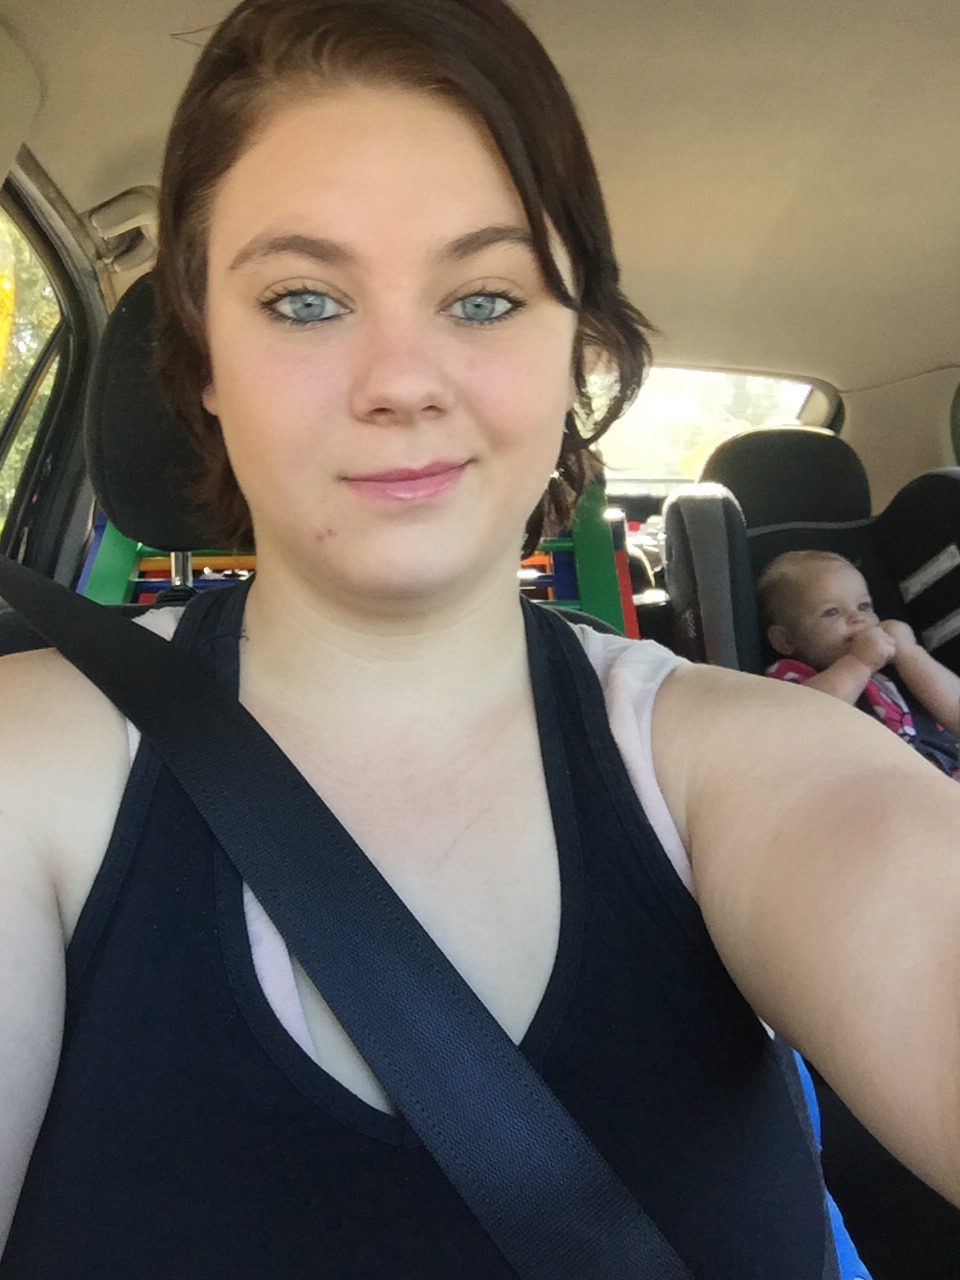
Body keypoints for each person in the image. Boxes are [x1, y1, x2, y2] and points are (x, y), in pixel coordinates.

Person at [0, 0, 958, 1274]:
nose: (403, 379)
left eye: (487, 296)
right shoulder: (30, 756)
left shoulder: (742, 763)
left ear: (575, 354)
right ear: (205, 358)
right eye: (303, 299)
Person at [758, 549, 960, 771]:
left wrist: (911, 654)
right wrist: (859, 662)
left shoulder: (893, 667)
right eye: (831, 612)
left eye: (864, 606)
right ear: (785, 640)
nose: (857, 617)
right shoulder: (791, 677)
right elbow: (802, 725)